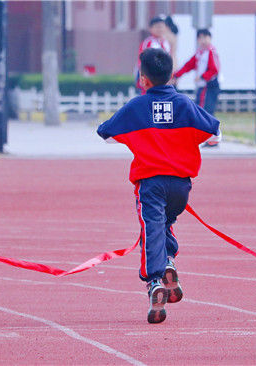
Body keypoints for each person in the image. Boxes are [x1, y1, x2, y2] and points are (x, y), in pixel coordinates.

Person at [97, 48, 221, 324]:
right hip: (180, 186)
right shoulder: (185, 104)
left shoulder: (136, 107)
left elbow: (105, 133)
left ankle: (155, 280)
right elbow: (214, 132)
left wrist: (137, 139)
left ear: (143, 79)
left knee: (151, 226)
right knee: (164, 223)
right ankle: (168, 261)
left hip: (151, 182)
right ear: (172, 75)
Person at [173, 29, 221, 147]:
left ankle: (211, 139)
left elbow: (215, 69)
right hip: (203, 86)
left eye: (206, 37)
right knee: (201, 110)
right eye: (200, 38)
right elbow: (189, 65)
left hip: (209, 86)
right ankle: (206, 137)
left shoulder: (211, 52)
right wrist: (176, 75)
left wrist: (202, 77)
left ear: (210, 38)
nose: (203, 40)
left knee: (206, 111)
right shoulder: (200, 53)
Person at [135, 16, 171, 94]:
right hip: (149, 77)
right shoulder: (148, 42)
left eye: (162, 27)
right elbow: (142, 61)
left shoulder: (166, 43)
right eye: (157, 27)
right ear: (151, 28)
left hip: (162, 78)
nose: (160, 29)